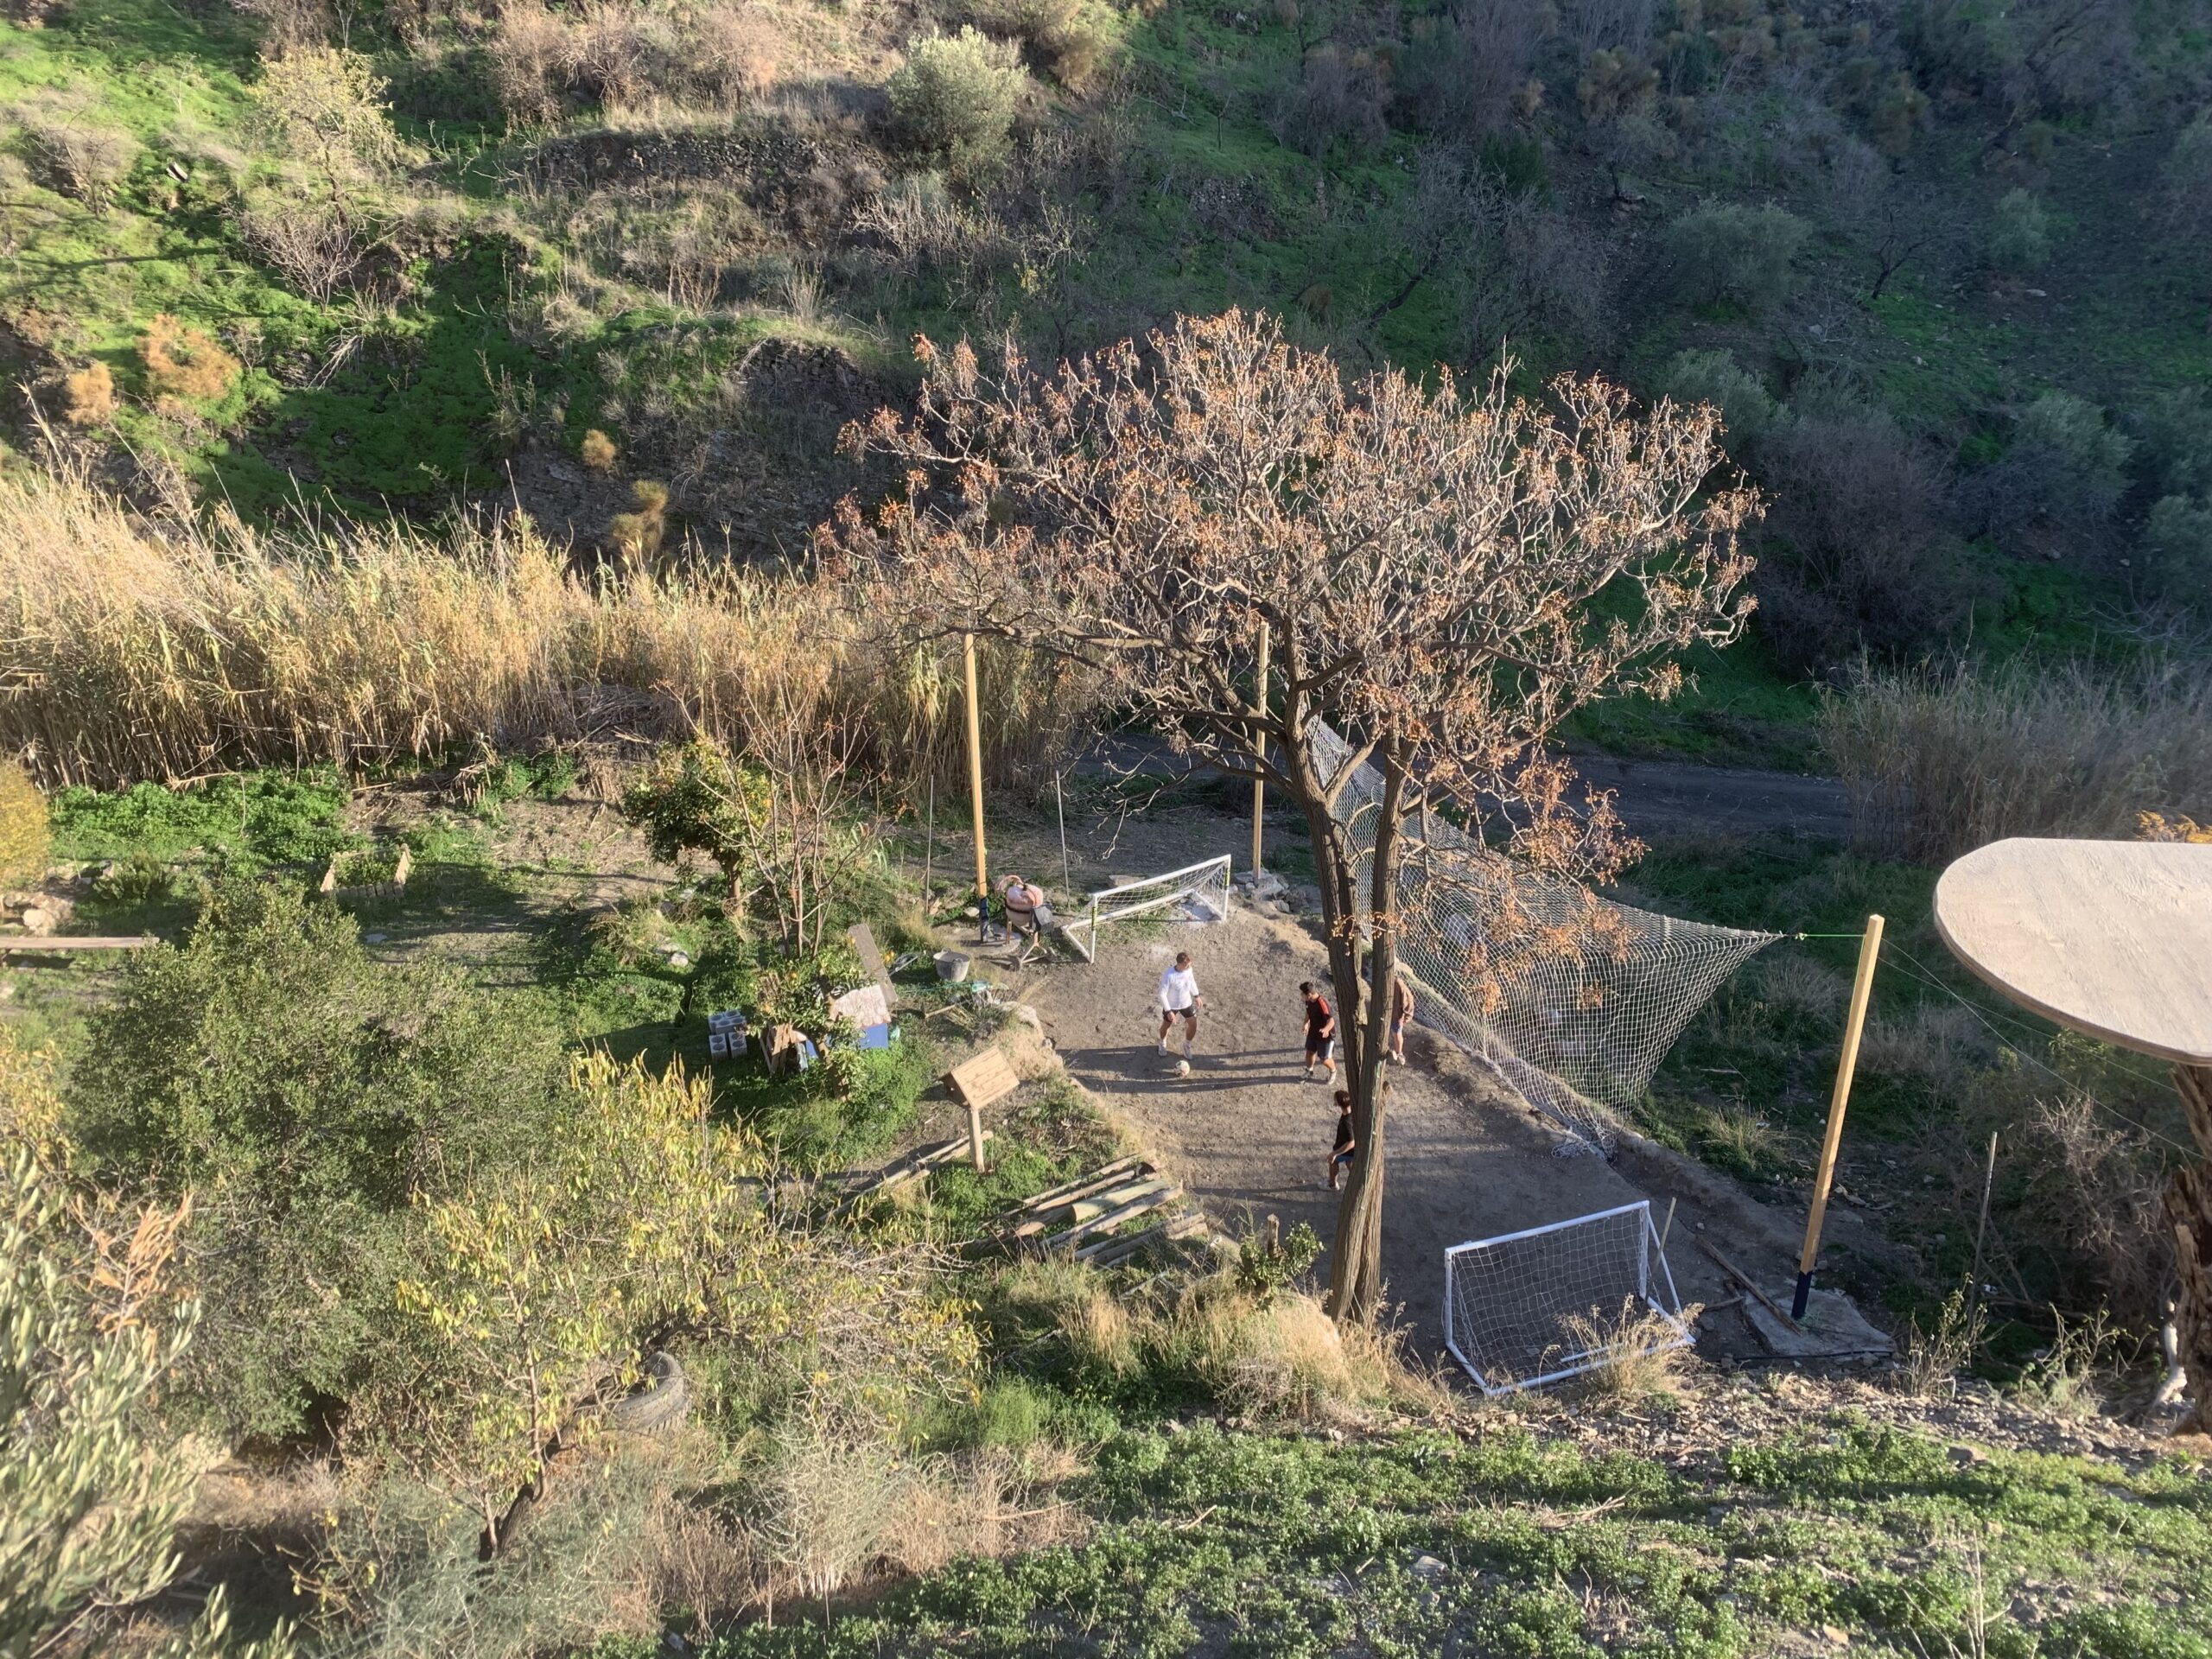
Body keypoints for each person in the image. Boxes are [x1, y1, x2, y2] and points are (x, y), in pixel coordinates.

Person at [1157, 950, 1201, 1061]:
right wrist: (1169, 1011)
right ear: (1180, 964)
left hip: (1186, 1003)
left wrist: (1196, 995)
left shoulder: (1189, 970)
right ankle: (1162, 1042)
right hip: (1172, 1006)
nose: (1190, 967)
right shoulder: (1169, 975)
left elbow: (1191, 982)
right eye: (1187, 965)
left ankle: (1187, 1045)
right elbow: (1162, 994)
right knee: (1166, 1026)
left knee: (1193, 1024)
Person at [1300, 981, 1337, 1082]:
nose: (1301, 996)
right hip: (1313, 1032)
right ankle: (1309, 1070)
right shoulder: (1308, 1001)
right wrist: (1306, 1024)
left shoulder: (1322, 1004)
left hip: (1325, 1036)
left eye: (1302, 994)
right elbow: (1308, 1013)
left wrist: (1326, 1029)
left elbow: (1331, 1020)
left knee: (1324, 1059)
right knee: (1310, 1052)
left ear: (1309, 994)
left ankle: (1333, 1071)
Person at [1328, 1089, 1357, 1191]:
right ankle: (1358, 1184)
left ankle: (1332, 1184)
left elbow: (1351, 1142)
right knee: (1350, 1164)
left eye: (1335, 1100)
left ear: (1339, 1103)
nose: (1334, 1101)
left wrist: (1335, 1153)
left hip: (1345, 1149)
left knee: (1333, 1161)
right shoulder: (1353, 1112)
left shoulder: (1346, 1123)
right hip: (1352, 1152)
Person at [1389, 973, 1414, 1065]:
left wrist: (1406, 1017)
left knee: (1397, 1033)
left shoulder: (1399, 986)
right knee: (1393, 1032)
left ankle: (1399, 1053)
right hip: (1389, 1013)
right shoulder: (1387, 982)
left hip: (1397, 1015)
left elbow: (1409, 1001)